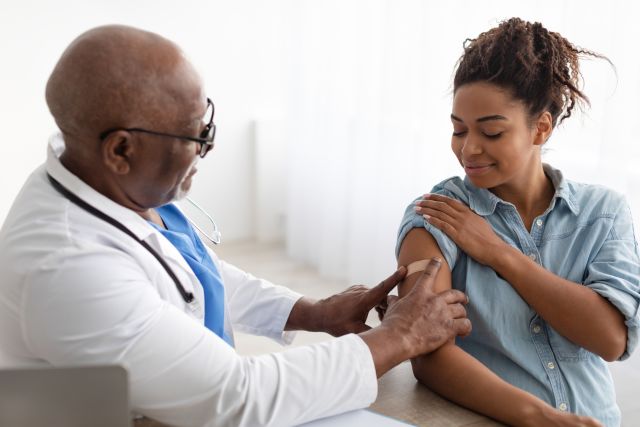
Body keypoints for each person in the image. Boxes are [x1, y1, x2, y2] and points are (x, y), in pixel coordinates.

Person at [0, 25, 472, 426]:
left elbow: (188, 273)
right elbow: (237, 397)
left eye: (206, 122)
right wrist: (398, 336)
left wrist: (313, 311)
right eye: (195, 135)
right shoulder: (68, 266)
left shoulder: (98, 181)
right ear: (121, 151)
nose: (208, 145)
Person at [394, 18, 640, 427]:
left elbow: (611, 340)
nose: (469, 148)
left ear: (540, 127)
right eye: (458, 130)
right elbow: (427, 353)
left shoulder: (603, 213)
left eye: (491, 132)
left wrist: (499, 254)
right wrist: (540, 418)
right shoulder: (436, 215)